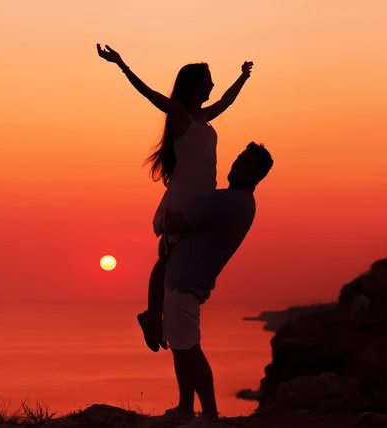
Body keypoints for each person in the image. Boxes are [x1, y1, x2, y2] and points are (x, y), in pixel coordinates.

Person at [96, 44, 254, 352]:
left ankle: (160, 317)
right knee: (167, 260)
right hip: (183, 202)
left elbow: (226, 101)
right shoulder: (180, 116)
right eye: (208, 79)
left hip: (202, 204)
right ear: (194, 85)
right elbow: (149, 94)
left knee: (179, 262)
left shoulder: (203, 117)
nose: (212, 84)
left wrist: (243, 78)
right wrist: (122, 65)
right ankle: (154, 317)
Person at [160, 142, 274, 426]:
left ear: (258, 176)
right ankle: (186, 407)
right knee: (182, 347)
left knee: (189, 349)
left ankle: (209, 415)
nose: (237, 165)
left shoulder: (227, 201)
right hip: (186, 278)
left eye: (246, 164)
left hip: (186, 280)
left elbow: (173, 223)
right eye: (238, 159)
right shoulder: (239, 202)